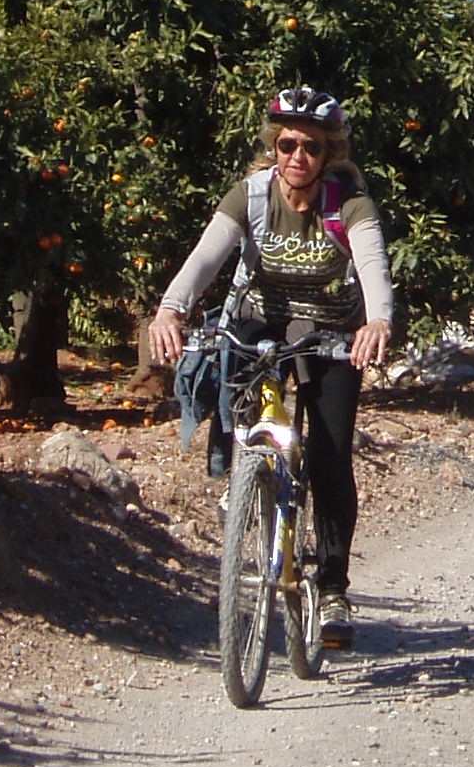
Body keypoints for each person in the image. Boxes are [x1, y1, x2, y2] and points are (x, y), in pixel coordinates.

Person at [147, 88, 394, 650]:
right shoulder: (252, 195)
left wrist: (377, 321)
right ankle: (249, 484)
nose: (297, 156)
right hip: (260, 322)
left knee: (330, 456)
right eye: (287, 145)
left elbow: (373, 266)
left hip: (332, 332)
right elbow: (205, 258)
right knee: (240, 411)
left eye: (311, 146)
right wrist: (170, 310)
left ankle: (332, 587)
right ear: (273, 147)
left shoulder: (348, 204)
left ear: (329, 154)